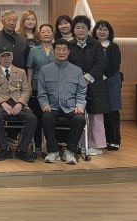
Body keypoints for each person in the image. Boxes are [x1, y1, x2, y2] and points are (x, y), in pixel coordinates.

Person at [38, 39, 87, 165]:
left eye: (64, 49)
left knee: (80, 119)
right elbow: (42, 93)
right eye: (58, 49)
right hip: (52, 107)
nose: (61, 52)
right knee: (46, 118)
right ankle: (53, 151)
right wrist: (44, 104)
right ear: (53, 52)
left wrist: (80, 105)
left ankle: (70, 152)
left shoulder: (77, 70)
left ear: (69, 52)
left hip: (71, 107)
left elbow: (81, 92)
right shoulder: (45, 70)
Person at [0, 45, 37, 162]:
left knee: (32, 119)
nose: (6, 58)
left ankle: (22, 150)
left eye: (8, 55)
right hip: (2, 105)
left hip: (18, 104)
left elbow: (26, 90)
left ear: (12, 56)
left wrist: (20, 103)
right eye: (3, 56)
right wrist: (2, 103)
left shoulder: (21, 72)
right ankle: (5, 150)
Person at [69, 15, 109, 155]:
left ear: (88, 29)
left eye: (83, 27)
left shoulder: (96, 44)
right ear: (73, 29)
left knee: (95, 115)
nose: (80, 30)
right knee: (78, 115)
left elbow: (101, 63)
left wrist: (88, 77)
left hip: (95, 85)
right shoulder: (69, 45)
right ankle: (80, 144)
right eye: (77, 27)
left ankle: (96, 145)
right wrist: (78, 78)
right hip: (75, 84)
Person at [93, 20, 122, 151]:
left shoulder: (113, 47)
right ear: (95, 31)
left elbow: (115, 65)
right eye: (99, 29)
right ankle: (101, 140)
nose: (102, 32)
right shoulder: (92, 46)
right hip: (96, 81)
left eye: (105, 29)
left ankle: (114, 140)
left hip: (111, 81)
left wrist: (101, 76)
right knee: (99, 112)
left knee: (112, 111)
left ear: (109, 32)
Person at [26, 23, 55, 150]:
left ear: (53, 34)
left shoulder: (58, 49)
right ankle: (37, 143)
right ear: (39, 34)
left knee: (51, 115)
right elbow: (30, 68)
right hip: (37, 86)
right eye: (43, 32)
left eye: (48, 31)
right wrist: (29, 84)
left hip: (54, 87)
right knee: (37, 115)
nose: (46, 34)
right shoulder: (34, 50)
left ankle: (52, 142)